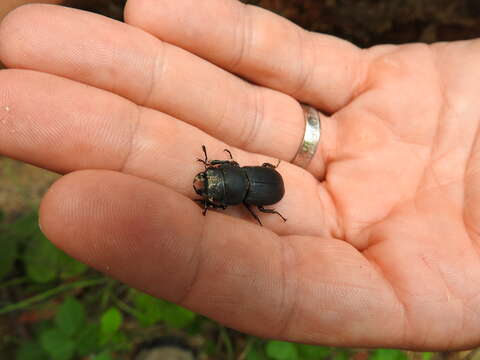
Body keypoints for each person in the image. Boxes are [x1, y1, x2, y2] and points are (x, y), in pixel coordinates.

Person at [0, 0, 479, 351]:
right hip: (258, 180)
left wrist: (217, 186)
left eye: (210, 186)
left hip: (262, 182)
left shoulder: (247, 188)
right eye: (210, 186)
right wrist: (215, 183)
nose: (207, 185)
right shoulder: (236, 180)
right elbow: (228, 177)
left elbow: (235, 182)